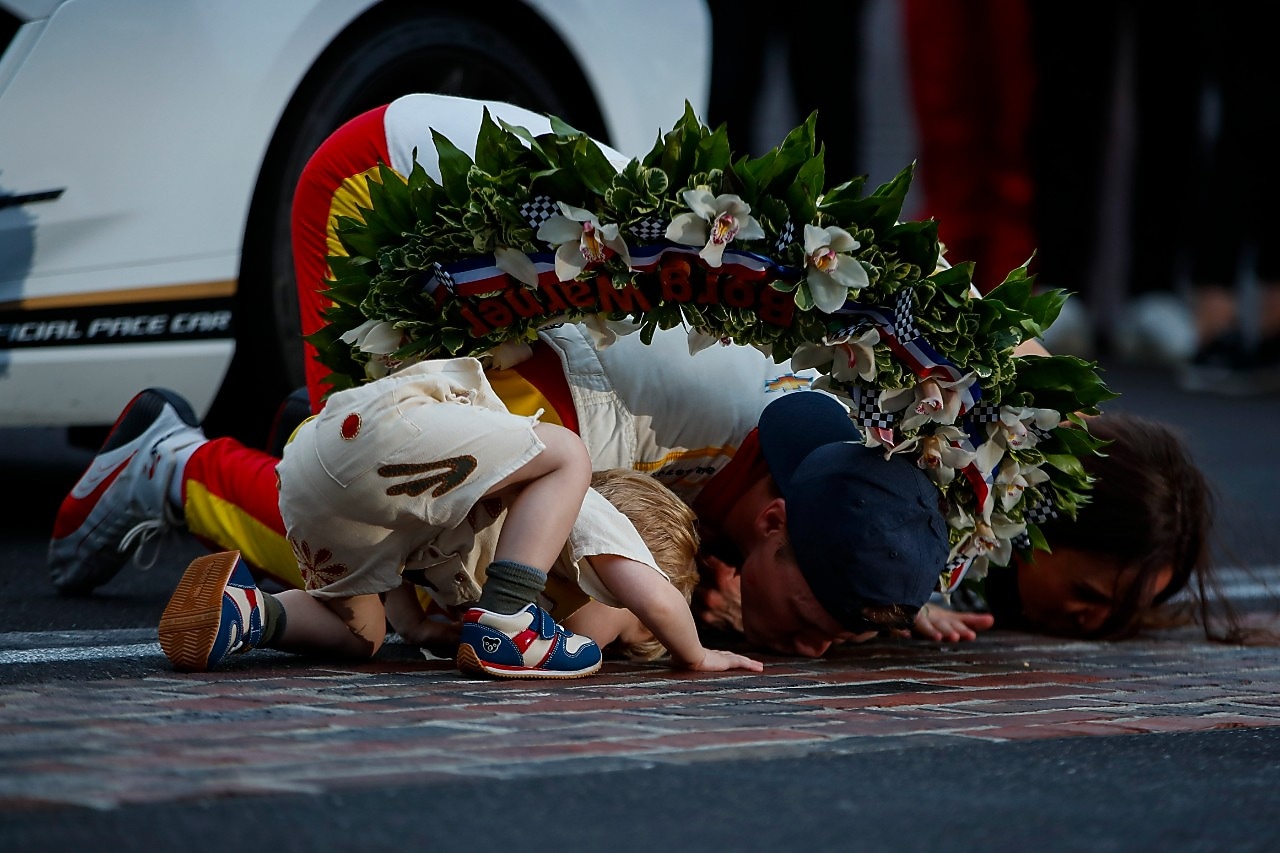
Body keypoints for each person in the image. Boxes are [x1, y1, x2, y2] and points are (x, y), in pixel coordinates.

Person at [47, 93, 1097, 657]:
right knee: (418, 563)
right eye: (819, 614)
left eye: (839, 634)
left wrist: (890, 587)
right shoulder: (704, 414)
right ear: (771, 521)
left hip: (509, 300)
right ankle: (169, 464)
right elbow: (525, 500)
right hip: (397, 189)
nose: (815, 648)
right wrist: (664, 606)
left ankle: (267, 443)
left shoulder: (802, 466)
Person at [155, 354, 761, 678]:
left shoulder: (483, 548)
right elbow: (633, 606)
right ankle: (509, 621)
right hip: (388, 428)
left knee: (360, 632)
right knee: (566, 456)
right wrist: (692, 651)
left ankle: (249, 612)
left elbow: (394, 570)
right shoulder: (593, 519)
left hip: (321, 465)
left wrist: (415, 632)